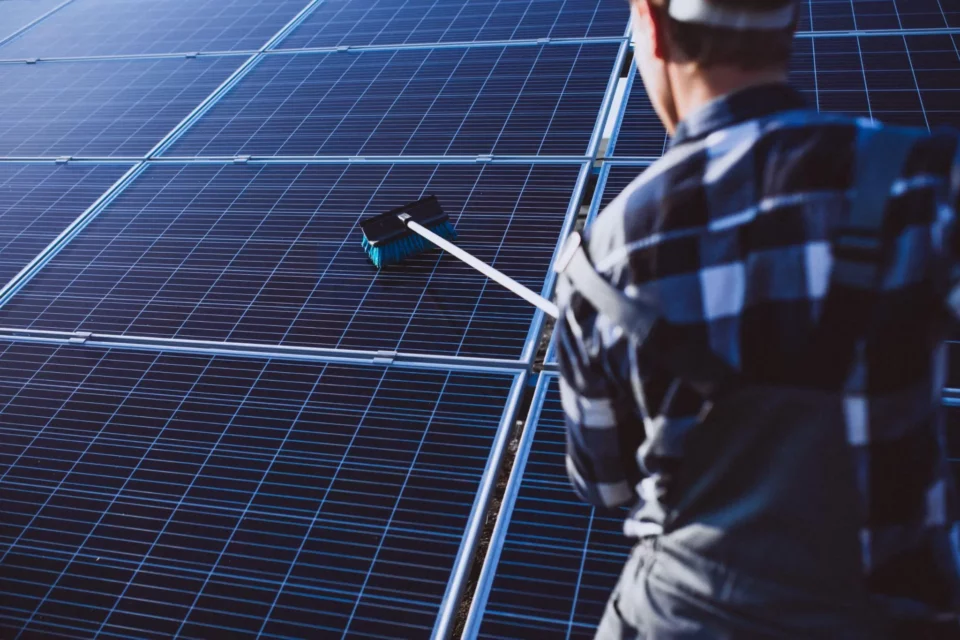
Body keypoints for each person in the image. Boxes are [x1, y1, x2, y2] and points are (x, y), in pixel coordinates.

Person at [553, 0, 960, 637]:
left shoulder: (602, 257)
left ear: (652, 26)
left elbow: (605, 485)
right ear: (790, 22)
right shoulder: (926, 180)